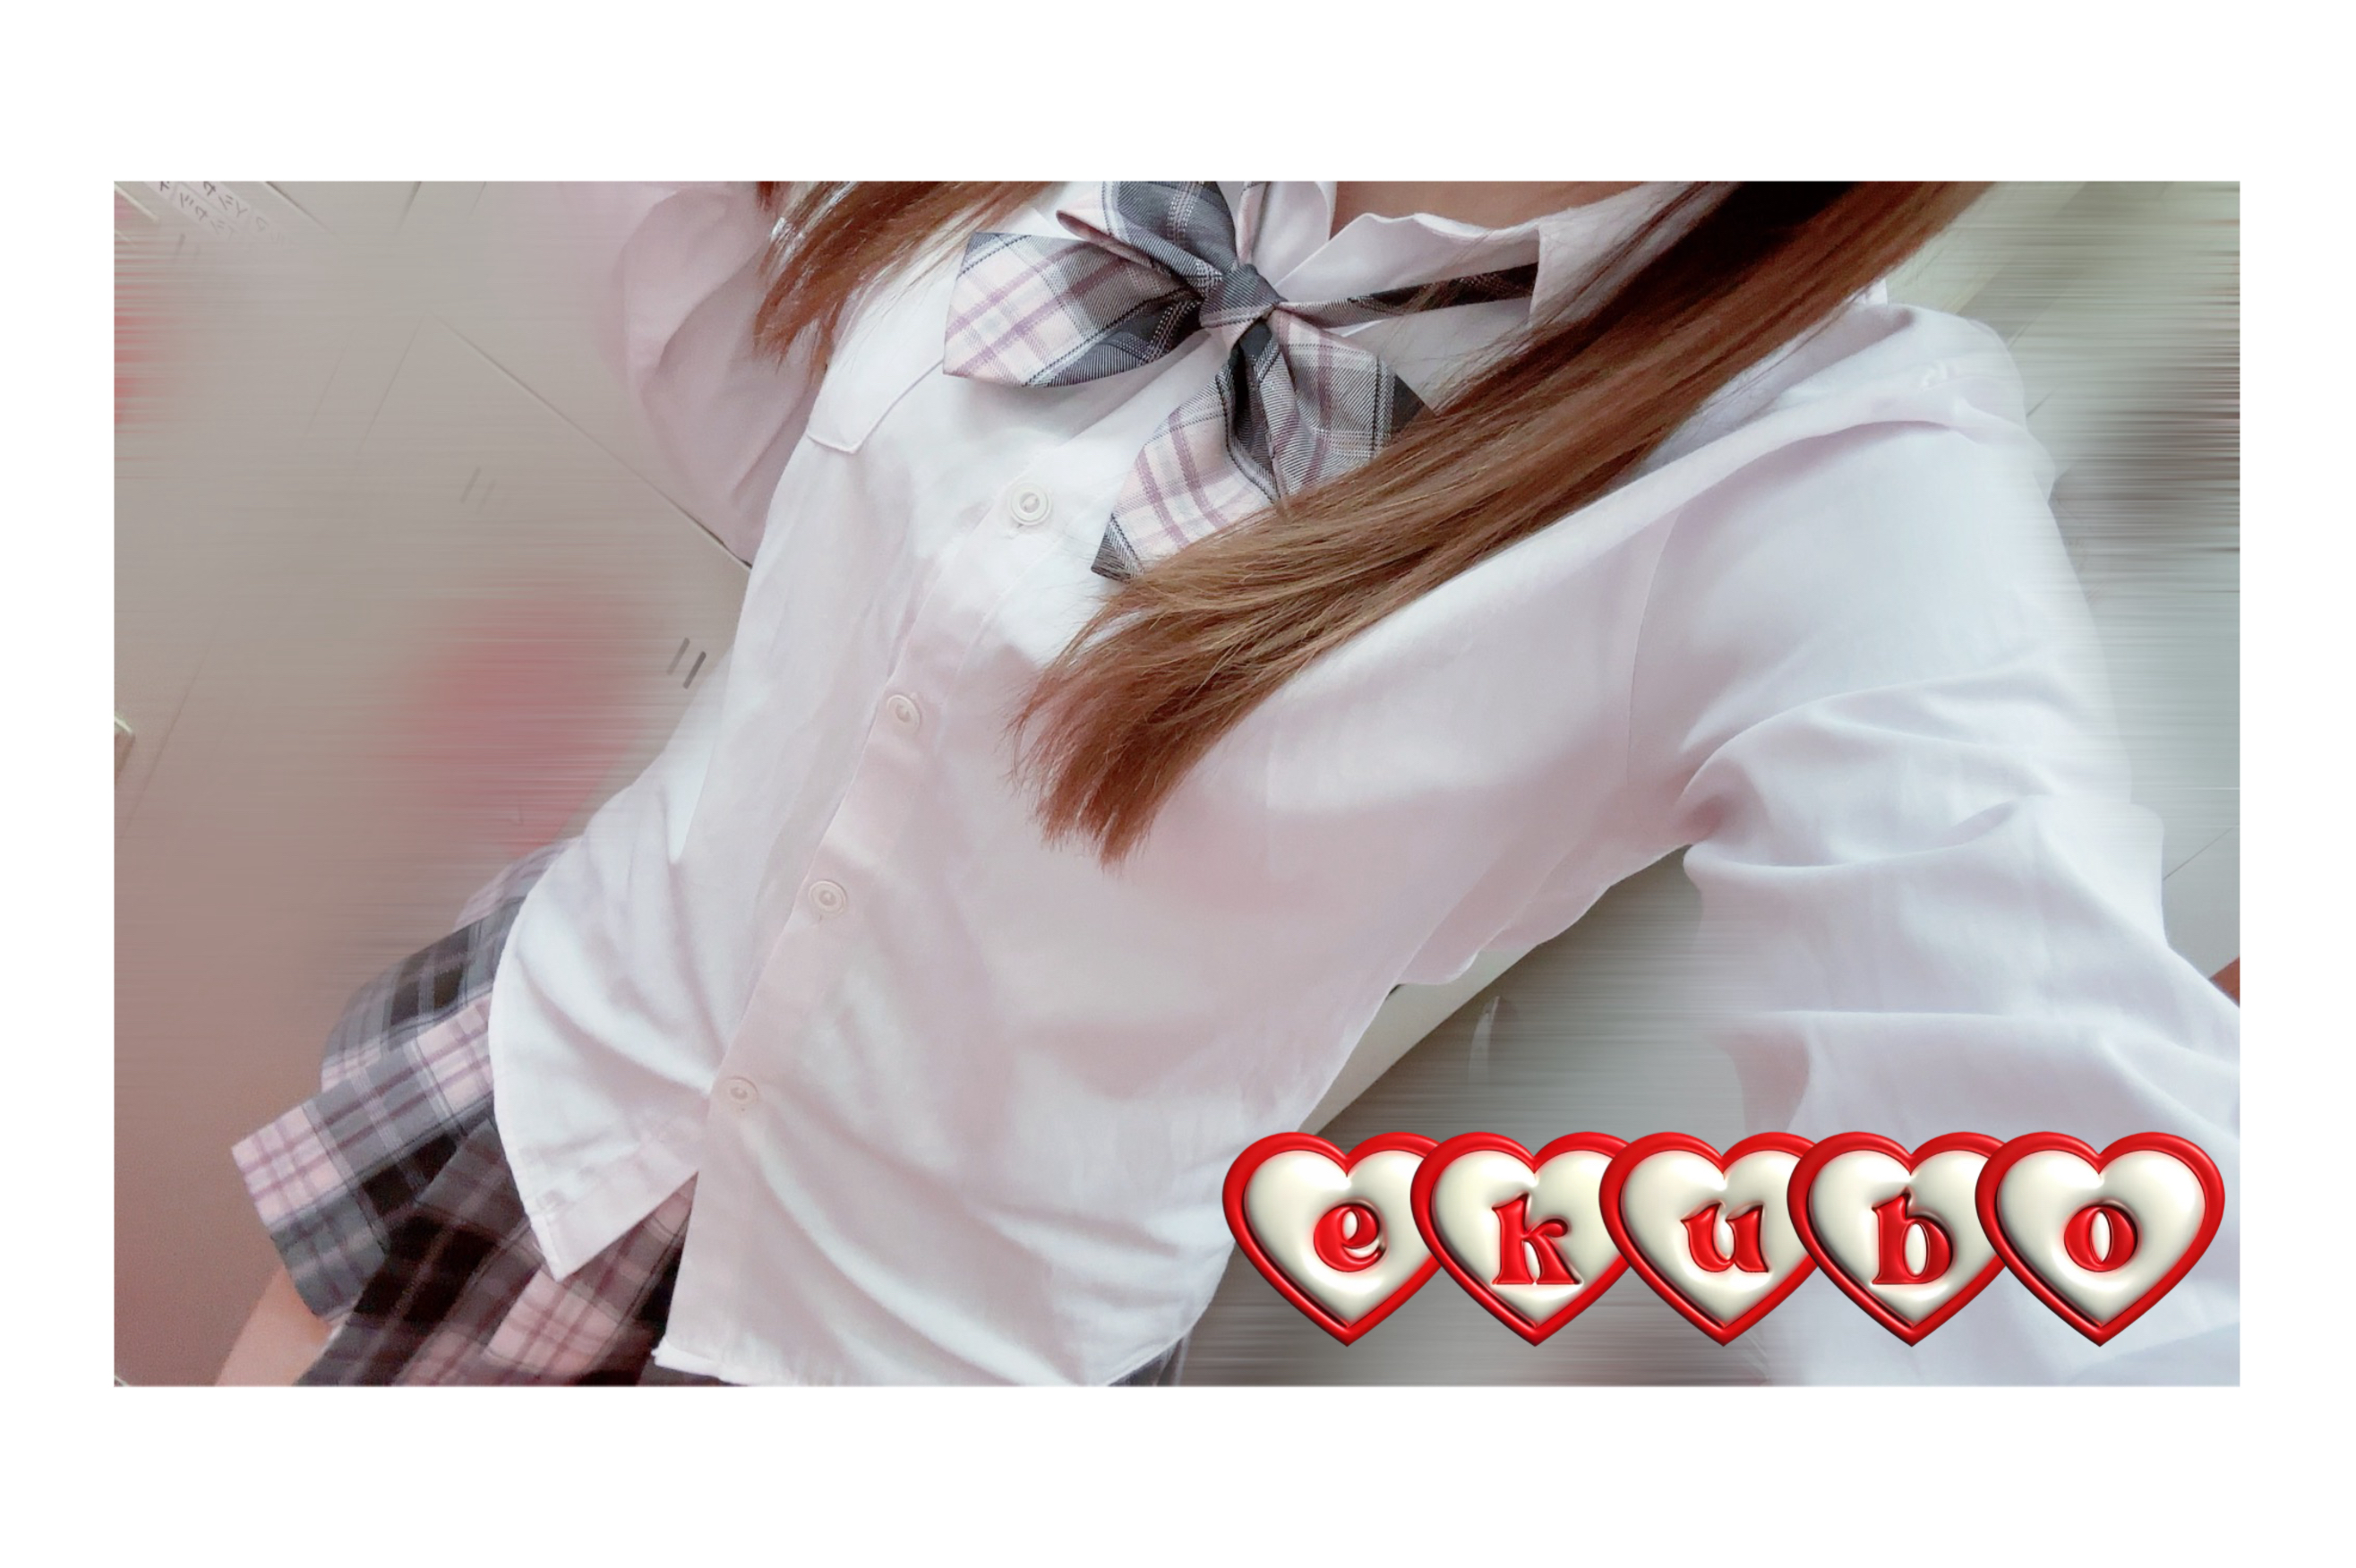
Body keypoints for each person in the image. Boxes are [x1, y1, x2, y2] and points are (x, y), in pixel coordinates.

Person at [217, 181, 2239, 1385]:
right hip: (554, 1076)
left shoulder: (1843, 485)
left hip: (918, 1371)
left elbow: (2059, 1186)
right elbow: (808, 444)